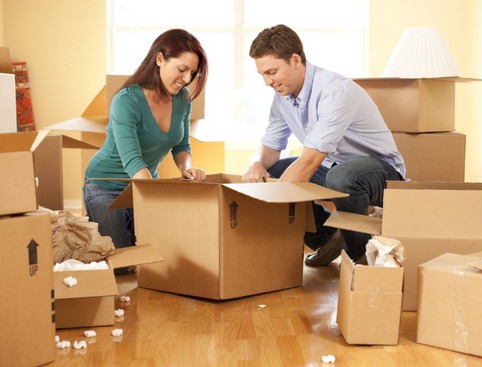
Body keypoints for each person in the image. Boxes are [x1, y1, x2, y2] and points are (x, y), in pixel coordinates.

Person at [242, 24, 406, 266]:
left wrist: (268, 205)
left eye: (272, 72)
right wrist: (255, 165)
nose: (268, 81)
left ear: (295, 60)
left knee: (339, 177)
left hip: (381, 173)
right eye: (263, 75)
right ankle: (327, 238)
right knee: (274, 172)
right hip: (333, 167)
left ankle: (360, 256)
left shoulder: (334, 91)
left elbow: (310, 161)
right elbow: (269, 149)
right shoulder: (282, 99)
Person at [83, 28, 209, 252]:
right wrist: (154, 197)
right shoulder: (126, 101)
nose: (187, 79)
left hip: (147, 182)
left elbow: (181, 145)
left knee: (158, 253)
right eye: (182, 69)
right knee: (123, 260)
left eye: (192, 72)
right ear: (160, 59)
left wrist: (186, 169)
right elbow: (132, 160)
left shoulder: (183, 99)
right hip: (106, 186)